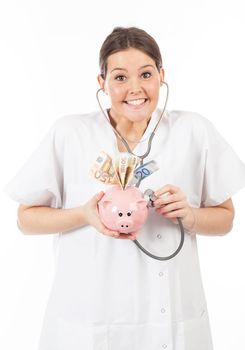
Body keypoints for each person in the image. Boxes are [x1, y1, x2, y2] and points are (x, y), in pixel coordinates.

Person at [4, 26, 245, 350]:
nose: (135, 88)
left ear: (161, 75)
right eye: (119, 77)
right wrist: (85, 215)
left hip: (168, 319)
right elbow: (25, 220)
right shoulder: (71, 133)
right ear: (101, 82)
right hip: (88, 321)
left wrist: (190, 216)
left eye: (146, 74)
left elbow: (226, 219)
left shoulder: (192, 130)